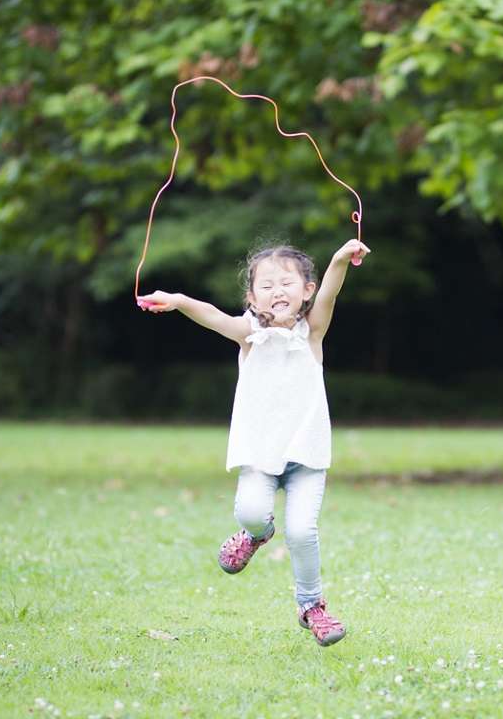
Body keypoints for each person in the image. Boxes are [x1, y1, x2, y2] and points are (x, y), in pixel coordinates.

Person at [139, 237, 370, 646]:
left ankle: (311, 606)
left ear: (306, 291)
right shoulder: (249, 335)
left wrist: (339, 258)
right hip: (261, 456)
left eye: (286, 283)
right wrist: (177, 299)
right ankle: (257, 534)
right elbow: (211, 316)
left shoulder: (311, 333)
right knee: (249, 511)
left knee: (302, 532)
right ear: (251, 297)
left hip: (307, 456)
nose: (277, 291)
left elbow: (333, 291)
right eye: (266, 285)